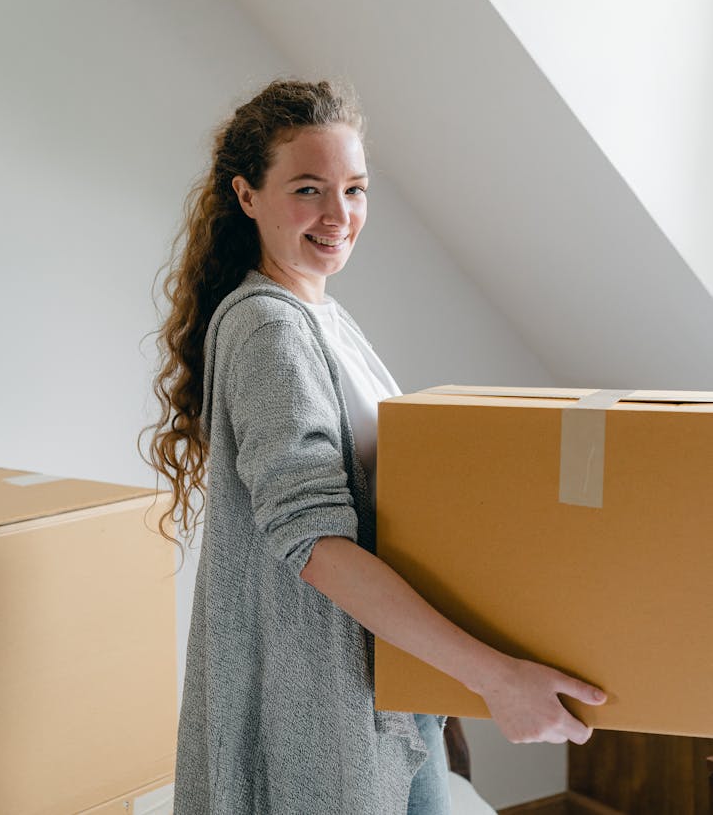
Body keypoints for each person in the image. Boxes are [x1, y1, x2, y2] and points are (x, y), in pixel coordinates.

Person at [140, 77, 607, 815]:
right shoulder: (272, 329)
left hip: (383, 690)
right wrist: (493, 674)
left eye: (354, 188)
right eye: (307, 188)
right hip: (324, 714)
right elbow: (317, 545)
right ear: (247, 195)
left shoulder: (321, 316)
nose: (339, 215)